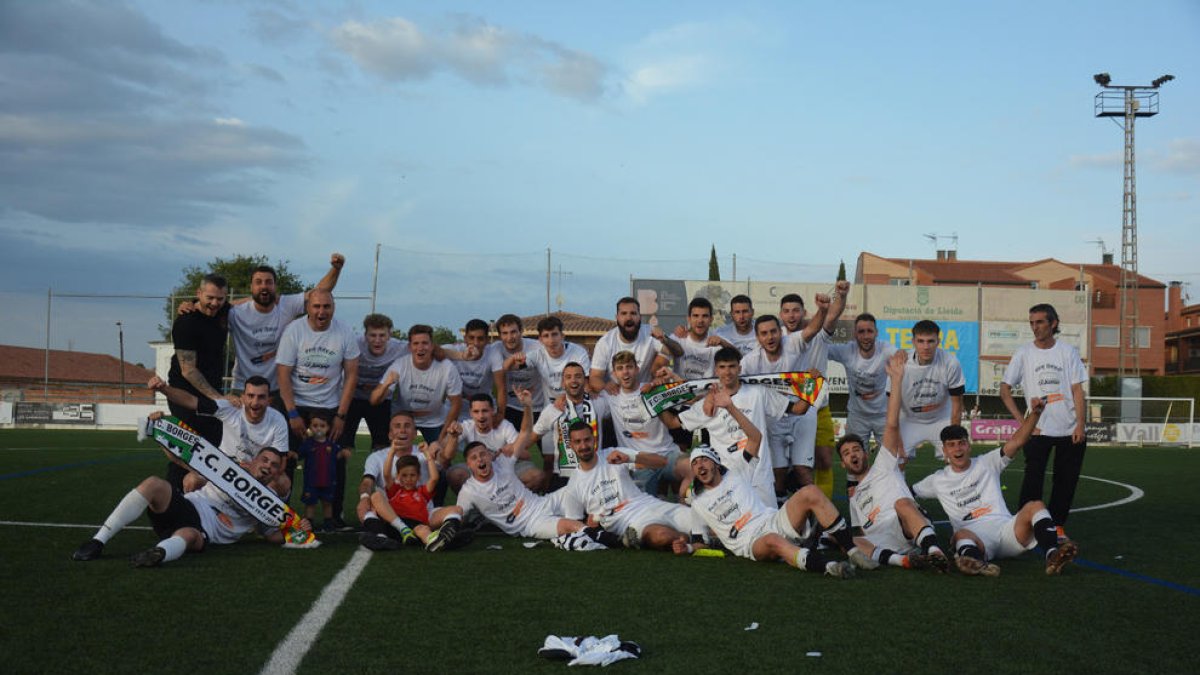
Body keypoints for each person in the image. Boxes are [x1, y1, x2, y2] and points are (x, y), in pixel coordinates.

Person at [680, 392, 863, 578]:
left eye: (704, 460)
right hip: (751, 542)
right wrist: (685, 547)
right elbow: (698, 542)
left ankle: (854, 553)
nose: (700, 465)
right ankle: (830, 566)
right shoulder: (698, 502)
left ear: (715, 463)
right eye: (695, 463)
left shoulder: (737, 472)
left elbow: (755, 438)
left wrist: (730, 407)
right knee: (773, 540)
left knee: (811, 492)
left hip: (772, 521)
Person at [911, 399, 1080, 576]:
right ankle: (979, 564)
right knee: (960, 535)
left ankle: (1053, 555)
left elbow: (1017, 442)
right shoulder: (937, 480)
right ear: (944, 451)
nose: (957, 449)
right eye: (951, 445)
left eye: (961, 443)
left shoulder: (987, 463)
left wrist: (1036, 413)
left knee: (1035, 505)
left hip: (1007, 532)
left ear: (969, 445)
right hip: (976, 539)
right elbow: (907, 494)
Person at [71, 448, 309, 566]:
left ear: (278, 472)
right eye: (264, 460)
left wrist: (299, 530)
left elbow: (272, 535)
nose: (267, 466)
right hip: (186, 507)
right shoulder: (229, 470)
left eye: (274, 465)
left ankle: (159, 554)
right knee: (154, 483)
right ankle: (98, 541)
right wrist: (160, 426)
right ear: (254, 460)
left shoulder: (269, 502)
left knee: (188, 534)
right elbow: (183, 459)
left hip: (205, 531)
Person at [837, 351, 949, 572]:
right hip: (884, 543)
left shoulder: (883, 464)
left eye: (857, 449)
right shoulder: (854, 497)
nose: (853, 454)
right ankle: (904, 561)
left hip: (907, 525)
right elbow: (860, 533)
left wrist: (896, 379)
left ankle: (935, 552)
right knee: (851, 541)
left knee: (902, 503)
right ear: (843, 463)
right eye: (847, 453)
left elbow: (891, 424)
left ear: (866, 454)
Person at [663, 347, 814, 506]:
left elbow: (798, 409)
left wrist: (812, 385)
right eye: (722, 367)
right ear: (716, 370)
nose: (727, 372)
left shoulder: (758, 393)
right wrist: (656, 402)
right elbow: (672, 422)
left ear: (739, 368)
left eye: (732, 366)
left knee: (768, 527)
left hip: (759, 477)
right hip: (727, 481)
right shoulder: (708, 403)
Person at [1000, 303, 1088, 540]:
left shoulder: (1067, 352)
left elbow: (1078, 390)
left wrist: (1080, 424)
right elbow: (1005, 389)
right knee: (1033, 479)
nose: (1035, 327)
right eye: (1031, 323)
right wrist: (1023, 422)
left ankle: (1057, 526)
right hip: (1038, 430)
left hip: (1069, 429)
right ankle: (1025, 526)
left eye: (1039, 322)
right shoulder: (1024, 353)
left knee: (1066, 481)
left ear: (1053, 323)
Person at [275, 289, 360, 513]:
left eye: (326, 306)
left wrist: (341, 415)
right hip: (298, 403)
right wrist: (292, 413)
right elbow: (283, 373)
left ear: (333, 308)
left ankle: (335, 516)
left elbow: (351, 374)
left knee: (336, 461)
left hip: (330, 406)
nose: (321, 311)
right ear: (308, 308)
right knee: (288, 459)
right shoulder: (294, 331)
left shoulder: (344, 331)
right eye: (316, 306)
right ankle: (282, 515)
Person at [559, 421, 702, 551]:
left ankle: (698, 538)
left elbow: (661, 462)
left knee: (703, 519)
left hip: (651, 504)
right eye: (578, 442)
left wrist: (631, 458)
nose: (583, 446)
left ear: (594, 439)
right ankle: (691, 539)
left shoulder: (612, 454)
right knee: (661, 536)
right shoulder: (574, 485)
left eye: (587, 440)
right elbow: (574, 524)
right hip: (632, 523)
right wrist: (590, 525)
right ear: (571, 445)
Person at [455, 440, 621, 546]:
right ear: (468, 464)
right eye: (474, 458)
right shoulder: (469, 491)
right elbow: (457, 518)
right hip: (530, 524)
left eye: (483, 454)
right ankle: (607, 537)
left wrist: (527, 406)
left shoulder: (502, 464)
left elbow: (525, 433)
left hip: (543, 502)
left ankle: (616, 513)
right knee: (568, 526)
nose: (480, 460)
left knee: (581, 486)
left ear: (490, 456)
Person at [147, 374, 289, 494]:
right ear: (243, 397)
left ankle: (268, 526)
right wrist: (163, 388)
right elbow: (191, 401)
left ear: (268, 399)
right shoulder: (230, 408)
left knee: (283, 482)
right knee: (191, 480)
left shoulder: (278, 420)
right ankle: (197, 523)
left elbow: (280, 464)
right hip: (221, 470)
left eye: (261, 397)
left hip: (258, 475)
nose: (255, 402)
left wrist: (254, 472)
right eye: (251, 396)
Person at [225, 254, 344, 396]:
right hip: (243, 387)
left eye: (269, 282)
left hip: (277, 389)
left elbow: (318, 293)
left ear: (275, 286)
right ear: (251, 286)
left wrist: (336, 269)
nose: (264, 286)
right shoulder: (236, 313)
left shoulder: (286, 305)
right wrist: (192, 305)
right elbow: (213, 307)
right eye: (258, 282)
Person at [739, 314, 827, 498]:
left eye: (773, 331)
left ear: (781, 332)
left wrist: (823, 309)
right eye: (764, 333)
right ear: (757, 338)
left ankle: (818, 517)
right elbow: (735, 383)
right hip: (774, 418)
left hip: (802, 413)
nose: (769, 337)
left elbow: (813, 329)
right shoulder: (750, 361)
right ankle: (782, 517)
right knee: (777, 475)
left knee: (803, 471)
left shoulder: (793, 343)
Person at [165, 273, 230, 489]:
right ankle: (173, 505)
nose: (214, 303)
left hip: (210, 396)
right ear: (198, 294)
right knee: (186, 451)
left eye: (220, 299)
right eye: (209, 297)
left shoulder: (223, 311)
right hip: (184, 394)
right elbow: (188, 370)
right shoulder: (186, 323)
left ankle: (204, 508)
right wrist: (218, 399)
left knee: (211, 452)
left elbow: (246, 303)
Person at [785, 282, 850, 499]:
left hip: (818, 408)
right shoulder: (778, 339)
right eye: (787, 311)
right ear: (781, 314)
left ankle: (824, 519)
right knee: (788, 465)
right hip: (787, 411)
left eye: (796, 310)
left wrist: (841, 295)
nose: (792, 315)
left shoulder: (819, 334)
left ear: (804, 312)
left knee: (823, 460)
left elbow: (831, 316)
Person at [604, 351, 684, 496]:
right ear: (614, 373)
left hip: (668, 453)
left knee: (693, 472)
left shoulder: (652, 389)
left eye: (629, 367)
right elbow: (585, 394)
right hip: (640, 462)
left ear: (637, 369)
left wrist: (668, 378)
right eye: (620, 368)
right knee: (645, 509)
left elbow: (689, 395)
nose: (625, 372)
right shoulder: (610, 397)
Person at [370, 324, 462, 447]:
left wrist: (442, 436)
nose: (420, 348)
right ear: (409, 347)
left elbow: (456, 403)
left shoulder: (447, 367)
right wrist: (386, 384)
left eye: (425, 343)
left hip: (434, 420)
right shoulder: (400, 365)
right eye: (416, 343)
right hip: (404, 418)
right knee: (395, 455)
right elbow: (374, 400)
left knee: (442, 458)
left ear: (432, 346)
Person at [371, 442, 464, 552]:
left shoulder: (422, 491)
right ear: (398, 476)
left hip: (417, 525)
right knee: (376, 495)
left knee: (424, 528)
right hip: (397, 524)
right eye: (404, 475)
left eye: (412, 475)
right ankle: (403, 531)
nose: (408, 479)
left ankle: (436, 542)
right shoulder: (395, 490)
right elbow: (386, 474)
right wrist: (392, 452)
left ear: (418, 476)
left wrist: (427, 455)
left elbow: (434, 478)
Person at [532, 362, 610, 492]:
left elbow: (624, 397)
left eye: (578, 376)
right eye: (568, 377)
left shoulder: (599, 403)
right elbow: (531, 438)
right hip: (564, 475)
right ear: (563, 383)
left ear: (585, 381)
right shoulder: (552, 410)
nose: (573, 380)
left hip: (594, 473)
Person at [444, 392, 542, 492]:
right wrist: (453, 437)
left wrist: (510, 449)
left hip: (506, 468)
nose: (481, 416)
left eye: (485, 411)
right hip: (479, 468)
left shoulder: (505, 426)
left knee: (536, 476)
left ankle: (515, 503)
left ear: (493, 411)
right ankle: (473, 505)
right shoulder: (466, 426)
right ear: (470, 413)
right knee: (455, 475)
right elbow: (447, 455)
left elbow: (527, 455)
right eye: (476, 412)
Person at [898, 319, 965, 460]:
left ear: (938, 341)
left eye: (930, 341)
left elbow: (957, 405)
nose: (926, 346)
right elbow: (891, 404)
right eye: (921, 341)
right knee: (897, 460)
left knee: (956, 458)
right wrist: (895, 437)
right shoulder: (901, 363)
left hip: (941, 418)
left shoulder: (951, 363)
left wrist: (953, 438)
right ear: (913, 342)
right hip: (909, 419)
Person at [829, 312, 896, 448]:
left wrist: (901, 355)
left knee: (891, 460)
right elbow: (820, 349)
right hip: (857, 416)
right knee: (854, 459)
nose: (866, 336)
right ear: (855, 334)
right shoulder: (847, 351)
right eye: (861, 332)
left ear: (876, 333)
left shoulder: (885, 349)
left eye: (869, 331)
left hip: (883, 415)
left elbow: (901, 355)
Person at [344, 313, 409, 454]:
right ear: (365, 335)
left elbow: (431, 349)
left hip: (382, 400)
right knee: (343, 445)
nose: (377, 340)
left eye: (382, 335)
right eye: (373, 335)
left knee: (382, 446)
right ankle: (337, 475)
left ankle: (379, 474)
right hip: (352, 397)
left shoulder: (400, 347)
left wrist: (461, 355)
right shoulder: (353, 344)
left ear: (389, 335)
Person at [589, 297, 676, 393]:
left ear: (640, 317)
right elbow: (594, 378)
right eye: (624, 313)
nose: (629, 318)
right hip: (616, 396)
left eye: (633, 313)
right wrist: (605, 386)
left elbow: (675, 352)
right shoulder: (605, 343)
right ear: (616, 317)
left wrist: (665, 339)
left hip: (644, 394)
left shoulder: (650, 333)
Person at [293, 411, 350, 531]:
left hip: (328, 480)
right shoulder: (307, 444)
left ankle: (328, 523)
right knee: (310, 503)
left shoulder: (332, 445)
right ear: (310, 427)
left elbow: (338, 455)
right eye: (315, 425)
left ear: (328, 428)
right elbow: (299, 456)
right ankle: (309, 523)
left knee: (327, 503)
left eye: (322, 426)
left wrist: (344, 453)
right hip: (311, 481)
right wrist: (293, 454)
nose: (319, 428)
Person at [487, 314, 544, 430]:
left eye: (513, 332)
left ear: (521, 331)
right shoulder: (494, 349)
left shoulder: (537, 347)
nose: (509, 337)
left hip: (537, 406)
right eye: (505, 333)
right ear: (499, 335)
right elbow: (498, 373)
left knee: (548, 447)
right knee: (509, 447)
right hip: (510, 407)